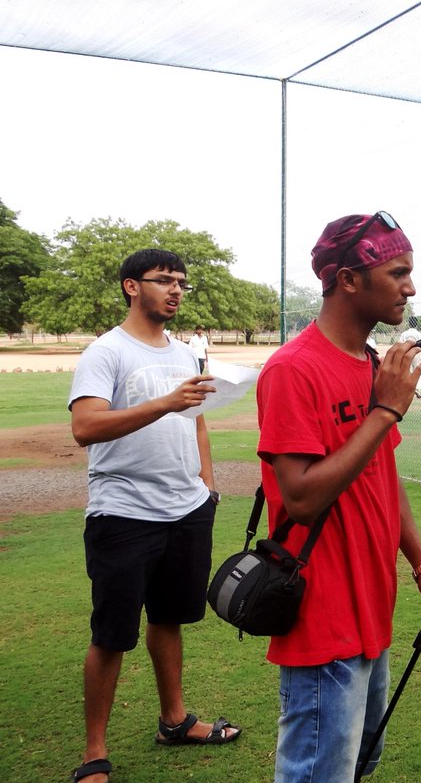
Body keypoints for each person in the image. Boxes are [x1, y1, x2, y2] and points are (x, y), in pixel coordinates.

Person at [256, 211, 421, 782]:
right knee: (318, 773)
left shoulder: (372, 365)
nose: (411, 288)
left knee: (360, 763)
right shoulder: (294, 369)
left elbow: (381, 476)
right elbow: (301, 500)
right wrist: (386, 409)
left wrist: (420, 563)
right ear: (348, 280)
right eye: (398, 273)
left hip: (374, 609)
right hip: (322, 618)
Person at [68, 249, 238, 783]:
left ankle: (174, 719)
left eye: (181, 282)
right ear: (130, 287)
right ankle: (94, 753)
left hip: (186, 509)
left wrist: (206, 486)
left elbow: (198, 422)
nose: (175, 290)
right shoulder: (105, 352)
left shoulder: (187, 354)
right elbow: (86, 428)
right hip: (123, 513)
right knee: (112, 633)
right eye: (163, 280)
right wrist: (165, 403)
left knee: (169, 618)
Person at [397, 317, 421, 399]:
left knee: (406, 371)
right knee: (419, 371)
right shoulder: (418, 333)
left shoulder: (404, 333)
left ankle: (404, 390)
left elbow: (399, 344)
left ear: (409, 324)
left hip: (406, 353)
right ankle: (417, 389)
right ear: (416, 324)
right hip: (416, 353)